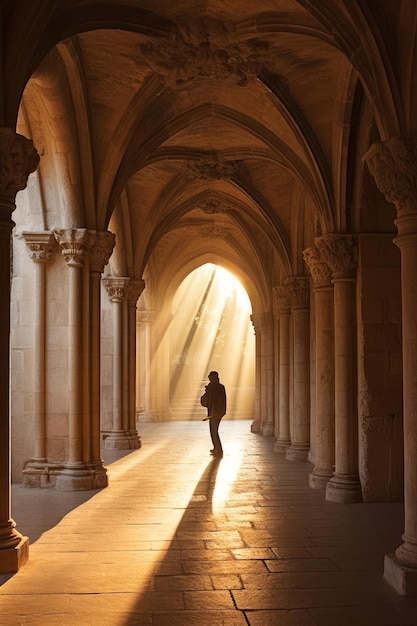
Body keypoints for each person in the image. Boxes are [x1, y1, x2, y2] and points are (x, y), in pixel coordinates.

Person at [200, 371, 227, 457]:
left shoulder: (211, 387)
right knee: (215, 431)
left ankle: (218, 449)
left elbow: (207, 400)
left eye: (210, 376)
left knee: (213, 431)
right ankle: (217, 448)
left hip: (213, 412)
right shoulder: (221, 387)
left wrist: (205, 394)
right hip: (220, 412)